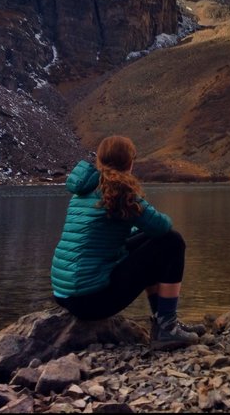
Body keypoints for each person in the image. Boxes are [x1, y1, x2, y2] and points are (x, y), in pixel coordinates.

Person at [50, 135, 201, 350]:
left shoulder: (84, 190)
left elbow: (101, 234)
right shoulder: (120, 191)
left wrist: (135, 229)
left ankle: (164, 321)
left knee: (150, 241)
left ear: (100, 161)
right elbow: (161, 226)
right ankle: (167, 326)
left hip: (64, 294)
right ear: (130, 163)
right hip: (90, 301)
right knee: (171, 241)